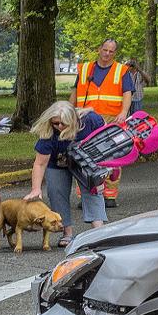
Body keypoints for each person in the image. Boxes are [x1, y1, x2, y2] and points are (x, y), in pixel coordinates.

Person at [22, 101, 107, 248]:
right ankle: (67, 233)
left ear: (73, 119)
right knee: (56, 192)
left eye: (64, 123)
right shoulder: (48, 133)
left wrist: (103, 170)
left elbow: (106, 139)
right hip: (58, 163)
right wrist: (36, 188)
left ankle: (99, 232)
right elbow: (40, 163)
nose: (60, 127)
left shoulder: (91, 120)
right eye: (56, 123)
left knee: (93, 191)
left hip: (87, 161)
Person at [70, 38, 135, 207]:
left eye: (111, 51)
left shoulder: (121, 70)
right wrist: (69, 111)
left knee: (112, 155)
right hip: (85, 117)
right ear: (99, 49)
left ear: (115, 53)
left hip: (112, 118)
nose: (107, 54)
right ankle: (85, 195)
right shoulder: (85, 69)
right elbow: (75, 92)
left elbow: (127, 93)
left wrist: (124, 112)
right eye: (105, 50)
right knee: (83, 155)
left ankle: (109, 195)